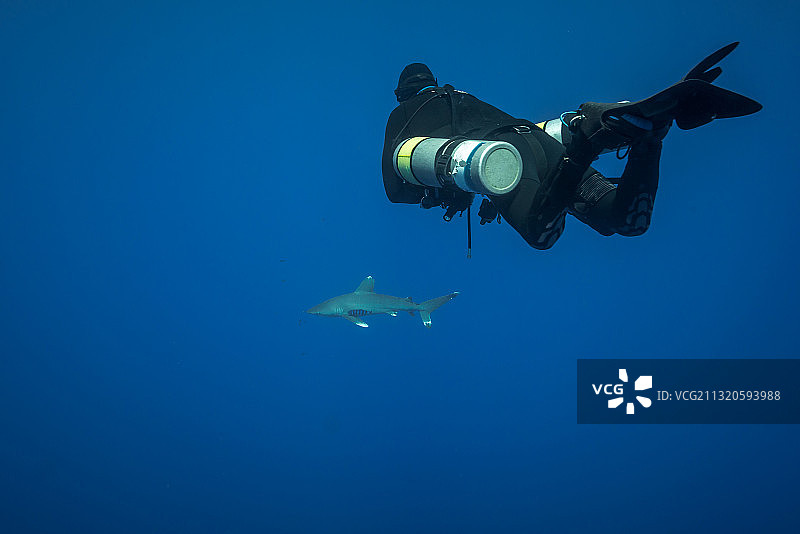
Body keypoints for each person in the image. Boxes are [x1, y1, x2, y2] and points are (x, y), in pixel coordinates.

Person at [382, 44, 761, 250]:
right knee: (622, 222)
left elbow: (395, 188)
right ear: (435, 82)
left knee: (542, 234)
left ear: (402, 95)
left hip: (504, 161)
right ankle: (645, 137)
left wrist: (442, 191)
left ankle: (587, 145)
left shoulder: (406, 117)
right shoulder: (461, 97)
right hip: (539, 139)